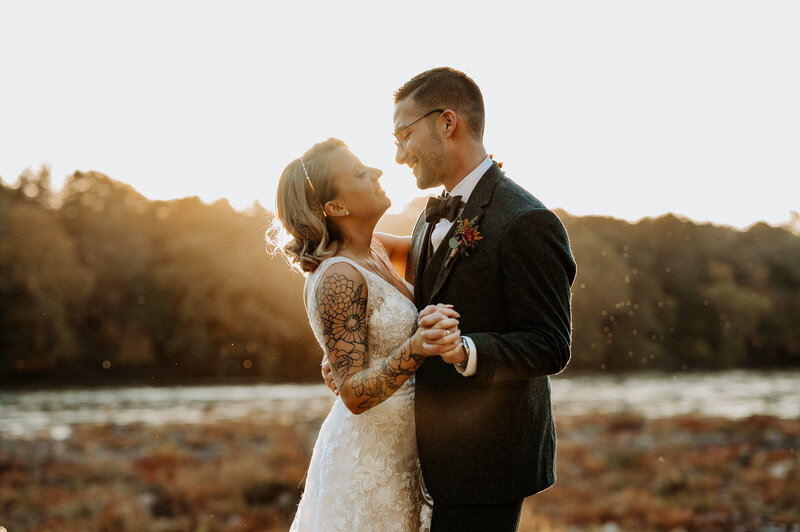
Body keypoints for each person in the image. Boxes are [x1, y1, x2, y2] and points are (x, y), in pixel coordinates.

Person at [324, 67, 577, 531]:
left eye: (404, 135)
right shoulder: (426, 217)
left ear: (447, 122)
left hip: (487, 463)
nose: (398, 155)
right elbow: (416, 308)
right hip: (421, 459)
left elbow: (550, 344)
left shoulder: (527, 222)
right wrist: (358, 357)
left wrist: (467, 350)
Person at [272, 137, 463, 530]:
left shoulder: (376, 248)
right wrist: (417, 347)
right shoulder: (339, 277)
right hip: (369, 464)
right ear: (336, 207)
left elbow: (450, 254)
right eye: (360, 173)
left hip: (403, 452)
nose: (377, 172)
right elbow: (355, 395)